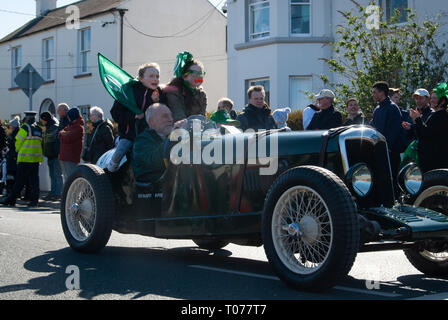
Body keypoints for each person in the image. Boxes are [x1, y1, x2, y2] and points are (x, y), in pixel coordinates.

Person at [109, 63, 165, 172]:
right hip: (129, 134)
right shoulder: (128, 91)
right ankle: (111, 169)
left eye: (157, 76)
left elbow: (163, 111)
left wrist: (156, 102)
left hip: (149, 134)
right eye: (151, 76)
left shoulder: (158, 93)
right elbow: (115, 113)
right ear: (141, 79)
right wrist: (133, 116)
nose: (155, 79)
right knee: (122, 149)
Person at [132, 103, 186, 184]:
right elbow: (155, 162)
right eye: (165, 116)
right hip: (153, 188)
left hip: (174, 185)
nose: (171, 119)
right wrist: (174, 135)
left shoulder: (172, 137)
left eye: (171, 116)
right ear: (151, 121)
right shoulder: (142, 141)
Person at [0, 111, 43, 207]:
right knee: (34, 182)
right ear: (34, 118)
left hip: (24, 158)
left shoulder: (25, 127)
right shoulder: (38, 129)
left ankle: (11, 199)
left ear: (27, 118)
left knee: (19, 181)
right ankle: (34, 201)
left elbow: (18, 141)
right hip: (35, 159)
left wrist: (17, 151)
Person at [409, 83, 448, 173]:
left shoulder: (441, 116)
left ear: (442, 101)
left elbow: (426, 133)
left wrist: (418, 119)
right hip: (429, 159)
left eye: (435, 98)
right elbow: (421, 134)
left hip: (435, 160)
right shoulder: (437, 115)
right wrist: (415, 121)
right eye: (432, 98)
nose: (432, 101)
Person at [370, 81, 404, 185]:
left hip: (390, 151)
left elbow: (395, 130)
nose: (373, 95)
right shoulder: (377, 109)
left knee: (392, 179)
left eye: (375, 92)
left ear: (382, 92)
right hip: (380, 151)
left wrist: (387, 146)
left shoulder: (392, 108)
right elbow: (373, 126)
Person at [164, 52, 207, 122]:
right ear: (184, 76)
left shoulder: (201, 94)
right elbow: (179, 117)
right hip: (177, 130)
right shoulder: (174, 93)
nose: (198, 77)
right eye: (195, 74)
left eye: (201, 74)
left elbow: (202, 118)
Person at [40, 112, 63, 201]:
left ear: (46, 120)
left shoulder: (55, 127)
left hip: (55, 155)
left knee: (57, 175)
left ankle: (58, 193)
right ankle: (53, 192)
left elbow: (56, 142)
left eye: (42, 120)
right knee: (52, 175)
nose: (42, 122)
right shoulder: (49, 127)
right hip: (50, 155)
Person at [58, 107, 84, 181]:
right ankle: (68, 192)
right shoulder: (71, 125)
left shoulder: (79, 127)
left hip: (71, 157)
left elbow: (68, 138)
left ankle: (73, 193)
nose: (68, 118)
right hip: (65, 157)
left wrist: (63, 135)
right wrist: (63, 134)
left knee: (71, 179)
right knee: (66, 178)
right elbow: (60, 133)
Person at [4, 116, 20, 198]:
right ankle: (10, 192)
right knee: (11, 175)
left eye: (10, 125)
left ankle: (11, 192)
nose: (9, 127)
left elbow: (14, 146)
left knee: (11, 175)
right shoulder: (13, 133)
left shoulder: (15, 134)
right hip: (12, 157)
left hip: (13, 157)